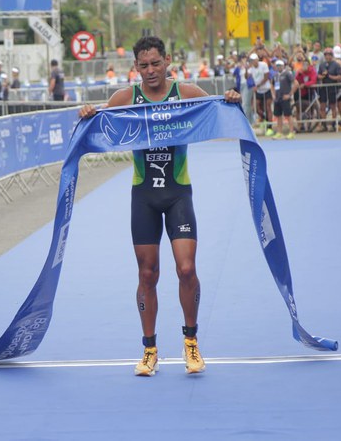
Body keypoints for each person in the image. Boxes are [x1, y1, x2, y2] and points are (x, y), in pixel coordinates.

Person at [78, 36, 241, 377]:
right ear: (135, 67)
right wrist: (88, 113)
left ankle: (191, 342)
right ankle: (149, 349)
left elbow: (223, 112)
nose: (151, 71)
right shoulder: (125, 99)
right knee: (147, 274)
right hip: (144, 197)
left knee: (186, 269)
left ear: (168, 61)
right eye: (144, 65)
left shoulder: (187, 93)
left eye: (156, 63)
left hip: (178, 192)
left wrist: (231, 100)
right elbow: (98, 125)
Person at [270, 59, 299, 139]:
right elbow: (272, 85)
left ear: (283, 66)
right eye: (277, 66)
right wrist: (273, 95)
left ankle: (291, 132)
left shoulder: (287, 74)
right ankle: (279, 132)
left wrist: (289, 94)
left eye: (280, 65)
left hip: (285, 98)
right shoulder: (275, 75)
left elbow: (296, 83)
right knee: (278, 116)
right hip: (277, 98)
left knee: (288, 115)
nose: (279, 67)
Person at [247, 53, 272, 132]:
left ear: (257, 60)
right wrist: (246, 69)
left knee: (268, 107)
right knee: (256, 107)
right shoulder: (251, 68)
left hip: (266, 89)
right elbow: (247, 77)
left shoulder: (263, 65)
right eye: (251, 61)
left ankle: (270, 127)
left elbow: (266, 77)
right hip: (259, 91)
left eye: (254, 60)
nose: (253, 62)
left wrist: (257, 85)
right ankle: (265, 118)